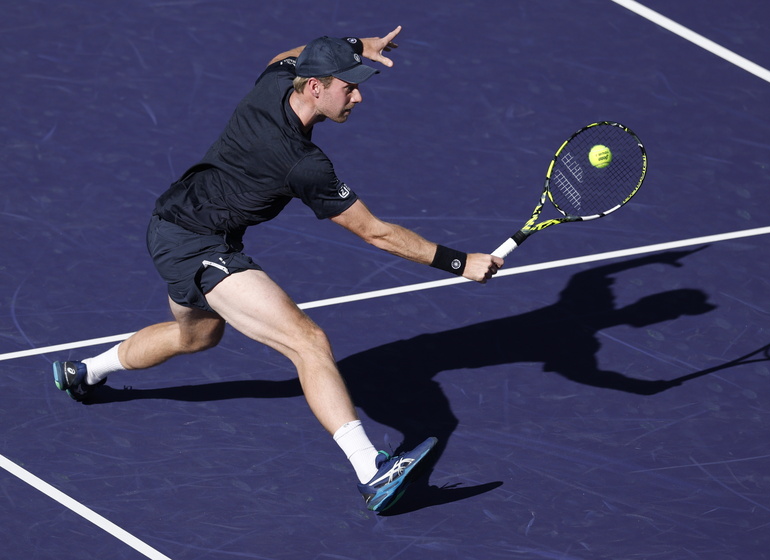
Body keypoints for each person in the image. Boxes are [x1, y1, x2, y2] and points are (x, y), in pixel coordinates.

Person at [50, 26, 504, 513]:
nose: (358, 97)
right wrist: (460, 263)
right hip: (195, 243)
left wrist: (354, 48)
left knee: (196, 338)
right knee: (307, 341)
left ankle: (84, 372)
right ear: (316, 87)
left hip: (173, 224)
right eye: (348, 86)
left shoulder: (276, 82)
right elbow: (375, 232)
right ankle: (372, 470)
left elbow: (287, 54)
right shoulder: (304, 165)